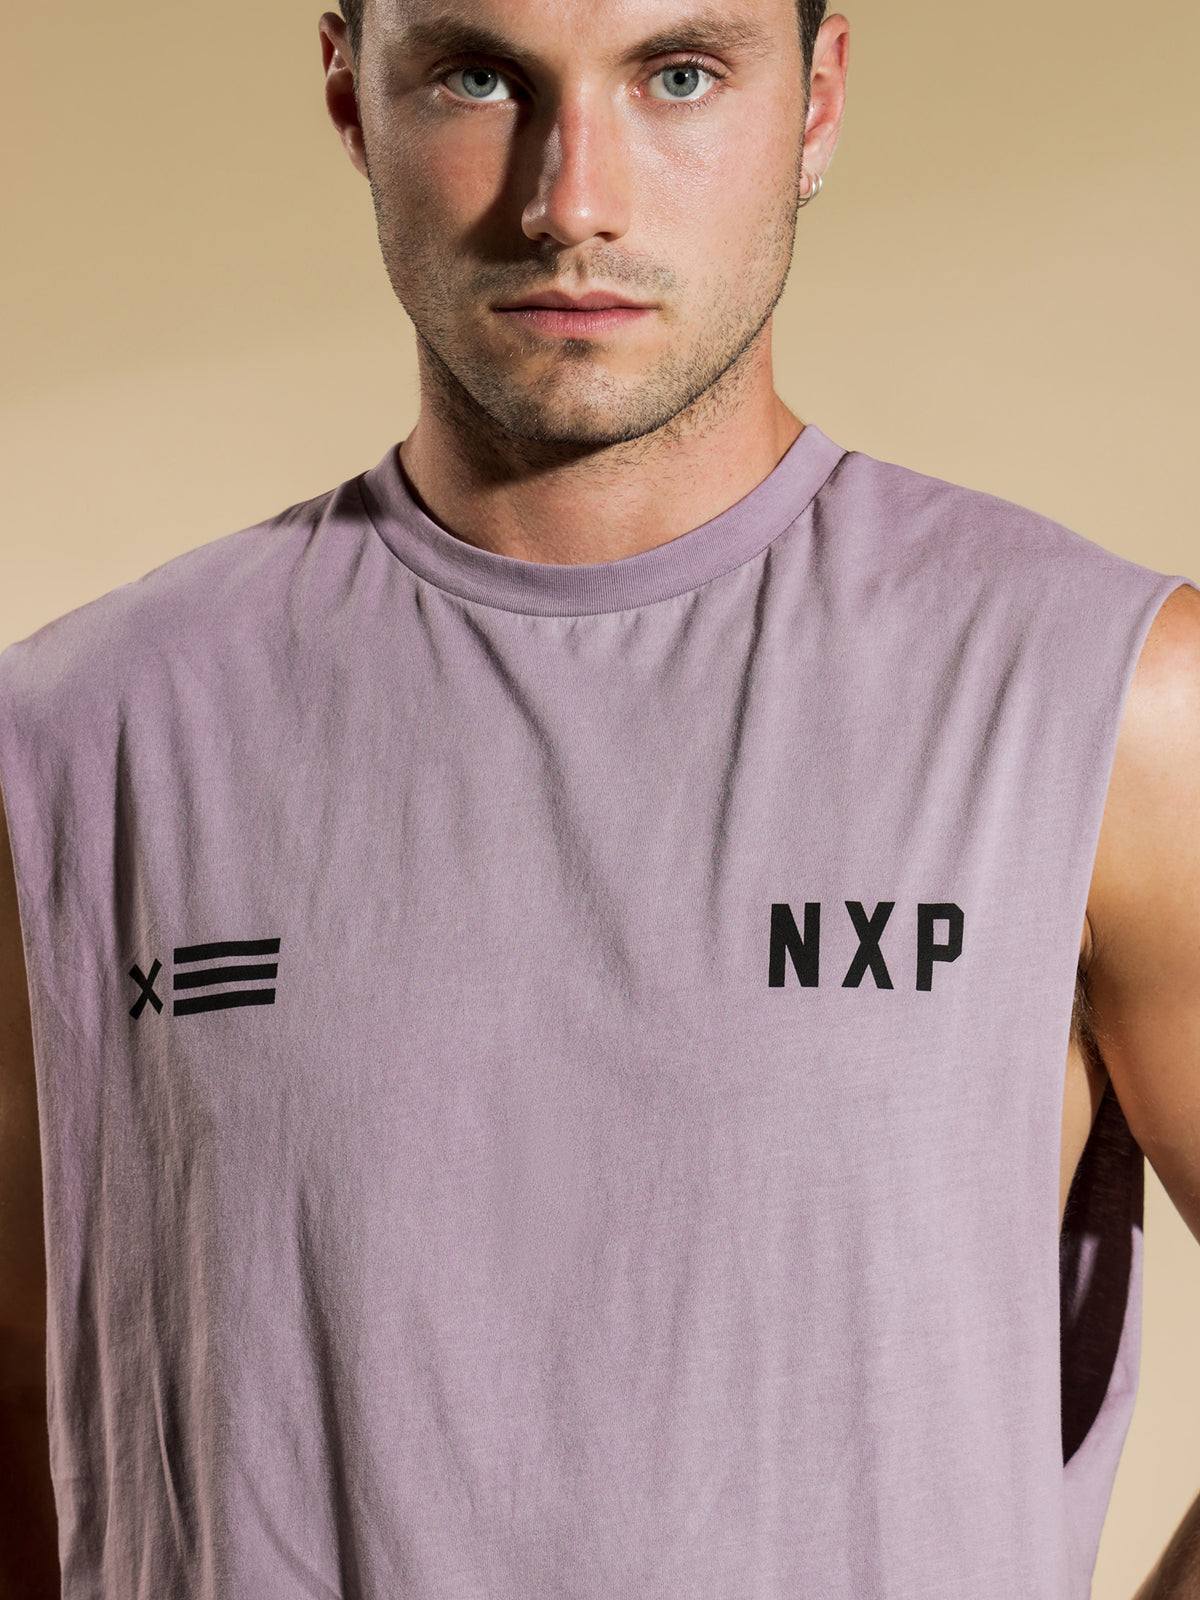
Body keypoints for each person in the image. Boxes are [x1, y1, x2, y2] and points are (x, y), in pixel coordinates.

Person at [1, 0, 1197, 1593]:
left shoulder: (1114, 704)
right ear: (353, 98)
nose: (572, 200)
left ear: (816, 103)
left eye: (678, 75)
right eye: (478, 76)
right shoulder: (73, 744)